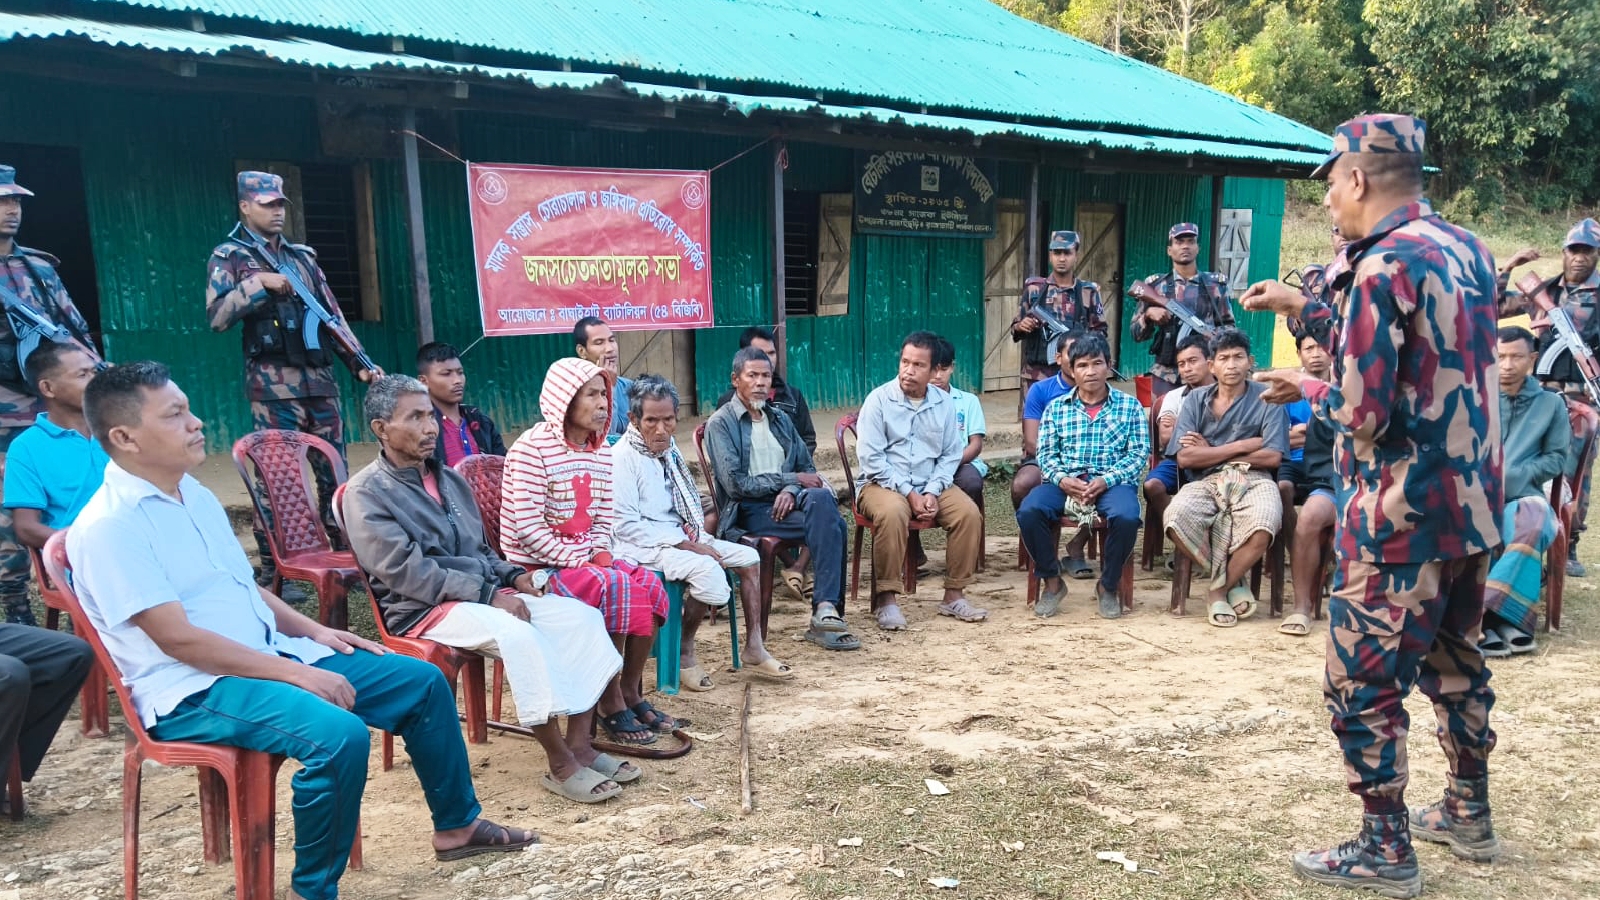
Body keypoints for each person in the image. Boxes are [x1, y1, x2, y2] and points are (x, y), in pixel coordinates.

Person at [66, 362, 534, 899]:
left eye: (190, 408)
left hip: (264, 655)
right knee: (337, 736)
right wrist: (296, 673)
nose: (197, 423)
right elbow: (178, 641)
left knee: (419, 681)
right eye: (175, 415)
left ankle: (458, 827)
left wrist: (317, 634)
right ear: (124, 437)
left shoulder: (190, 494)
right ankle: (314, 891)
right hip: (192, 689)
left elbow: (245, 588)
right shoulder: (109, 527)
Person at [1245, 113, 1502, 897]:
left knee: (1360, 680)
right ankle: (1467, 809)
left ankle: (1384, 847)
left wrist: (1306, 386)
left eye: (1329, 181)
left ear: (1357, 177)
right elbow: (1414, 350)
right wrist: (1302, 306)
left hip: (1398, 517)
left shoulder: (1379, 263)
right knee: (1456, 661)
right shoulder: (1466, 247)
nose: (1325, 198)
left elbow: (1362, 410)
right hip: (1472, 506)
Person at [343, 375, 631, 804]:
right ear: (381, 429)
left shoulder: (448, 480)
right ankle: (559, 762)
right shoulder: (367, 493)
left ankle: (582, 745)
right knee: (519, 634)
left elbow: (479, 550)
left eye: (431, 417)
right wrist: (489, 594)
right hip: (423, 608)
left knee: (582, 618)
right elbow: (406, 574)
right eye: (415, 418)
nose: (429, 428)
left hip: (479, 593)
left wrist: (515, 576)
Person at [206, 171, 382, 601]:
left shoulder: (303, 258)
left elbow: (331, 316)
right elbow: (217, 317)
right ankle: (276, 570)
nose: (277, 211)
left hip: (320, 382)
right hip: (272, 388)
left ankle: (345, 561)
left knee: (334, 473)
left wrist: (359, 362)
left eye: (281, 203)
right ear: (245, 207)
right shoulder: (229, 255)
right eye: (267, 204)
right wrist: (258, 284)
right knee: (279, 479)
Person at [499, 358, 679, 748]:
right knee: (614, 584)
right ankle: (606, 698)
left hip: (582, 558)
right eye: (592, 395)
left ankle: (629, 690)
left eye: (605, 394)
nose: (603, 404)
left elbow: (602, 520)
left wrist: (598, 550)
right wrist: (585, 558)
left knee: (646, 581)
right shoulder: (533, 449)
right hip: (533, 568)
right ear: (565, 400)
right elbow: (527, 532)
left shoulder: (599, 452)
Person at [611, 375, 791, 684]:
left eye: (668, 420)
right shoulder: (623, 459)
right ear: (633, 419)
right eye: (651, 420)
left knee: (749, 559)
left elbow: (684, 504)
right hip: (644, 546)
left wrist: (693, 538)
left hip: (680, 536)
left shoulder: (669, 450)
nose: (661, 428)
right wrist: (688, 545)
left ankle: (755, 647)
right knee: (710, 575)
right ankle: (683, 649)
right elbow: (625, 526)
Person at [705, 347, 855, 654]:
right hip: (750, 510)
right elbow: (735, 485)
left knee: (820, 500)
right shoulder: (721, 424)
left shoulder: (780, 419)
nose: (761, 382)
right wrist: (791, 481)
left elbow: (808, 470)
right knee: (835, 524)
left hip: (790, 503)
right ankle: (825, 614)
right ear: (736, 380)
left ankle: (825, 609)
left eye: (766, 376)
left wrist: (791, 490)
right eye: (752, 376)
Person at [0, 164, 99, 625]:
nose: (11, 210)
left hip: (48, 394)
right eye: (2, 201)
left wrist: (97, 379)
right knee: (10, 508)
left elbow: (74, 330)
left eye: (16, 201)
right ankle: (16, 603)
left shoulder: (37, 267)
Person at [854, 331, 987, 629]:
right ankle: (886, 599)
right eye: (904, 362)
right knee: (892, 512)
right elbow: (872, 460)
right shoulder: (878, 400)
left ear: (934, 370)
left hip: (929, 482)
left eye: (918, 365)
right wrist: (909, 493)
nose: (908, 371)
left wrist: (931, 490)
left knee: (968, 513)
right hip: (882, 484)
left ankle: (954, 595)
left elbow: (951, 455)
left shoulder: (943, 403)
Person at [1015, 333, 1147, 619]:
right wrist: (1063, 480)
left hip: (1111, 482)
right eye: (1083, 365)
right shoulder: (1056, 408)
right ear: (1071, 371)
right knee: (1029, 510)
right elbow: (1045, 455)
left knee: (1126, 517)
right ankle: (1052, 581)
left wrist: (1106, 480)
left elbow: (1138, 455)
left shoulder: (1130, 407)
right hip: (1066, 482)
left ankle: (1108, 585)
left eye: (1097, 363)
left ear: (1109, 366)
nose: (1091, 371)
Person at [1163, 328, 1288, 628]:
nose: (1231, 365)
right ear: (1212, 365)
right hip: (1206, 480)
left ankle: (1217, 590)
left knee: (1265, 523)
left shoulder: (1269, 398)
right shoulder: (1195, 401)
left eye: (1238, 357)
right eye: (1224, 358)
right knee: (1175, 517)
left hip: (1254, 478)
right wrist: (1245, 445)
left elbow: (1271, 456)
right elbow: (1186, 458)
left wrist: (1214, 450)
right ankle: (1235, 579)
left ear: (1250, 361)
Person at [1496, 218, 1600, 576]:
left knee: (1573, 471)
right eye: (1574, 250)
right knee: (1517, 462)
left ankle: (1566, 544)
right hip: (1533, 395)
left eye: (1587, 251)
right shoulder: (1544, 291)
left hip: (1580, 396)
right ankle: (1521, 539)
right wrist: (1508, 268)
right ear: (1564, 251)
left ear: (1597, 255)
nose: (1579, 258)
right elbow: (1494, 307)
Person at [1476, 327, 1567, 657]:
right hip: (1475, 496)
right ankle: (1510, 622)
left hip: (1523, 496)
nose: (1507, 365)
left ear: (1533, 359)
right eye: (1500, 357)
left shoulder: (1550, 404)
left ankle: (1481, 616)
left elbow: (1557, 458)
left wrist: (1516, 474)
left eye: (1516, 357)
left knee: (1534, 520)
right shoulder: (1474, 397)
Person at [2, 341, 109, 551]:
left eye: (94, 372)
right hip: (84, 562)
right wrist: (86, 546)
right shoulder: (26, 448)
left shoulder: (118, 430)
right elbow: (26, 528)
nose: (95, 382)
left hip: (141, 546)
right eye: (82, 375)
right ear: (48, 388)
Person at [1009, 335, 1093, 573]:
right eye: (1074, 354)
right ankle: (1035, 543)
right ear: (1058, 358)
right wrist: (1061, 470)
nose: (1082, 361)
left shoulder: (1099, 390)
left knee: (1110, 490)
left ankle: (1078, 544)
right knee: (1022, 484)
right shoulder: (1041, 390)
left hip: (1090, 463)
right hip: (1046, 459)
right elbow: (1032, 442)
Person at [1130, 223, 1234, 397]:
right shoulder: (1156, 287)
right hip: (1166, 374)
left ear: (1197, 248)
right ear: (1169, 250)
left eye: (1190, 241)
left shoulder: (1214, 285)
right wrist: (1148, 316)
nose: (1185, 246)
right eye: (1179, 242)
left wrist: (1213, 335)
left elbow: (1229, 325)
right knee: (1164, 421)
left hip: (1205, 374)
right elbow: (1135, 334)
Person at [1142, 333, 1215, 561]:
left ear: (1209, 361)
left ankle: (1208, 544)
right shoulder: (1173, 397)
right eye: (1181, 364)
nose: (1186, 369)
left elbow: (1223, 438)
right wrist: (1198, 436)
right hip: (1176, 461)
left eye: (1193, 361)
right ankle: (1184, 542)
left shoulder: (1224, 392)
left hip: (1215, 462)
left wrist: (1182, 428)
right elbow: (1166, 439)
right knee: (1152, 485)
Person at [1010, 229, 1106, 391]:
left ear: (1076, 255)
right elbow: (1014, 329)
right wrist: (1021, 326)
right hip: (1037, 377)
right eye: (1057, 253)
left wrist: (1080, 341)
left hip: (1075, 378)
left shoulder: (1088, 292)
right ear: (1050, 255)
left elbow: (1101, 333)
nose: (1061, 258)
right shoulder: (1035, 290)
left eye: (1067, 253)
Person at [714, 326, 817, 453]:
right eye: (760, 353)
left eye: (771, 353)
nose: (768, 359)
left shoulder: (793, 397)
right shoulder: (727, 403)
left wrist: (794, 468)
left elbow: (807, 439)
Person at [415, 341, 506, 465]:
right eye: (446, 374)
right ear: (423, 381)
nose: (457, 380)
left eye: (460, 372)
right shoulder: (420, 429)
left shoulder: (481, 422)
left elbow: (503, 468)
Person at [930, 337, 987, 517]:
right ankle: (913, 543)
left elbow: (975, 444)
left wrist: (951, 462)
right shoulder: (917, 402)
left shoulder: (968, 401)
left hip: (962, 462)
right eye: (933, 370)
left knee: (972, 482)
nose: (938, 376)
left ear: (952, 367)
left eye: (944, 369)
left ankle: (967, 526)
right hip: (926, 464)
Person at [572, 316, 632, 437]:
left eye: (611, 340)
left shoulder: (630, 387)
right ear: (582, 351)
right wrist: (610, 387)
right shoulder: (575, 393)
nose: (610, 348)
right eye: (599, 343)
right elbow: (604, 438)